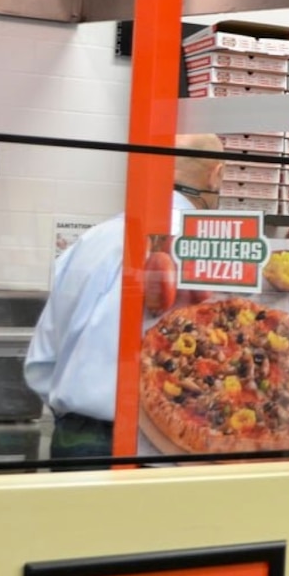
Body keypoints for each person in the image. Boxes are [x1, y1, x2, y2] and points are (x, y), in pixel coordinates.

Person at [24, 133, 226, 460]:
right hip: (167, 445)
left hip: (78, 440)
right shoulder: (212, 248)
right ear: (216, 174)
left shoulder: (92, 240)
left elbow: (42, 359)